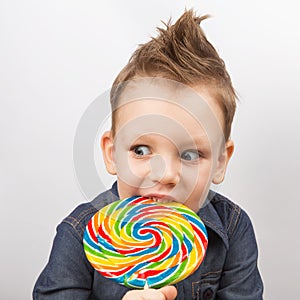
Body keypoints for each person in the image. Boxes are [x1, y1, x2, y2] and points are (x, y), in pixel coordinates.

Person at [33, 9, 263, 300]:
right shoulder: (79, 234)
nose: (165, 174)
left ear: (221, 161)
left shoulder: (233, 229)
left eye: (191, 154)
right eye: (141, 151)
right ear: (111, 154)